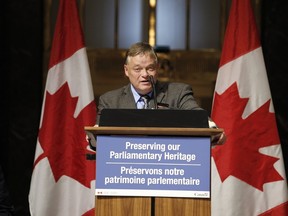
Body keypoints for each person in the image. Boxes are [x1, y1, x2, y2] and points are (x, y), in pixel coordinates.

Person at [96, 42, 226, 145]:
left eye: (150, 68)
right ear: (126, 70)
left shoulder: (178, 93)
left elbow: (196, 114)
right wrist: (93, 137)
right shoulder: (110, 101)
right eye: (137, 69)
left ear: (157, 69)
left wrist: (213, 129)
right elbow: (97, 137)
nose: (145, 75)